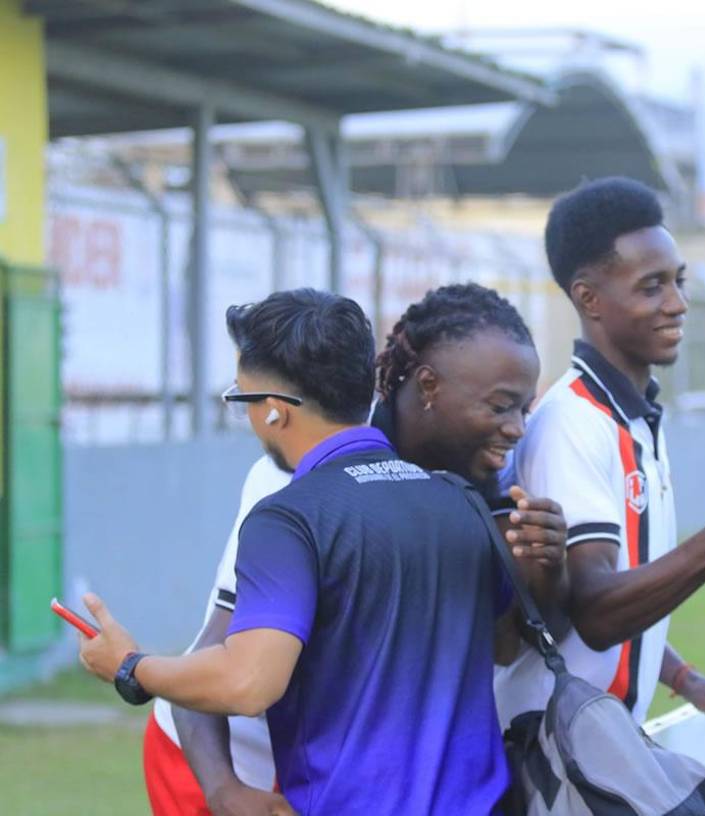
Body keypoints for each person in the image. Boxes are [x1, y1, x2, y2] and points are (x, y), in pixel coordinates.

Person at [79, 288, 563, 815]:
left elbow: (249, 681)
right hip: (465, 803)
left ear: (273, 412)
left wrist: (130, 666)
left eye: (243, 400)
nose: (515, 427)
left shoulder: (290, 514)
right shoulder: (460, 501)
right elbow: (505, 645)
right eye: (501, 406)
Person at [495, 177, 705, 746]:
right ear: (589, 299)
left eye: (679, 281)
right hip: (550, 751)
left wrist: (685, 678)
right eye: (652, 287)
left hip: (595, 743)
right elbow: (596, 612)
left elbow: (616, 593)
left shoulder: (634, 415)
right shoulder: (573, 422)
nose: (677, 303)